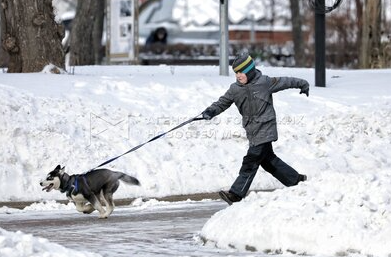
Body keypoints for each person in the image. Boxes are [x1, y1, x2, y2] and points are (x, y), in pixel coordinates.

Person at [202, 53, 309, 205]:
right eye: (236, 73)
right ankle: (296, 180)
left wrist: (302, 84)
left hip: (266, 128)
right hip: (252, 131)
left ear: (250, 71)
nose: (238, 76)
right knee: (268, 161)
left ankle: (236, 194)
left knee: (250, 162)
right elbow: (222, 102)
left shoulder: (265, 82)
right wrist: (210, 112)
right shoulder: (235, 89)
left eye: (241, 72)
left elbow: (286, 81)